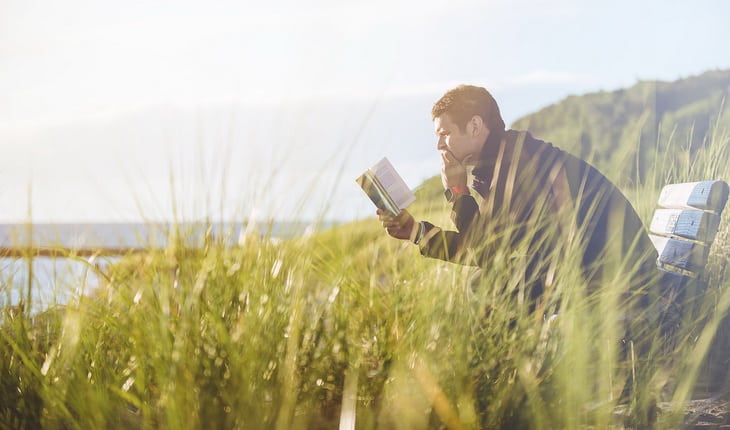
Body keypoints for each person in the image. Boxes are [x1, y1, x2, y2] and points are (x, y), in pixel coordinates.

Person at [377, 84, 662, 427]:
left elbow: (485, 251)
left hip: (619, 283)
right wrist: (414, 231)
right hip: (597, 273)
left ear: (475, 126)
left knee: (491, 289)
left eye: (444, 133)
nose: (439, 145)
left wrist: (456, 191)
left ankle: (508, 406)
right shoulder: (505, 159)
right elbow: (489, 249)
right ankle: (506, 403)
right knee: (490, 286)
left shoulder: (517, 165)